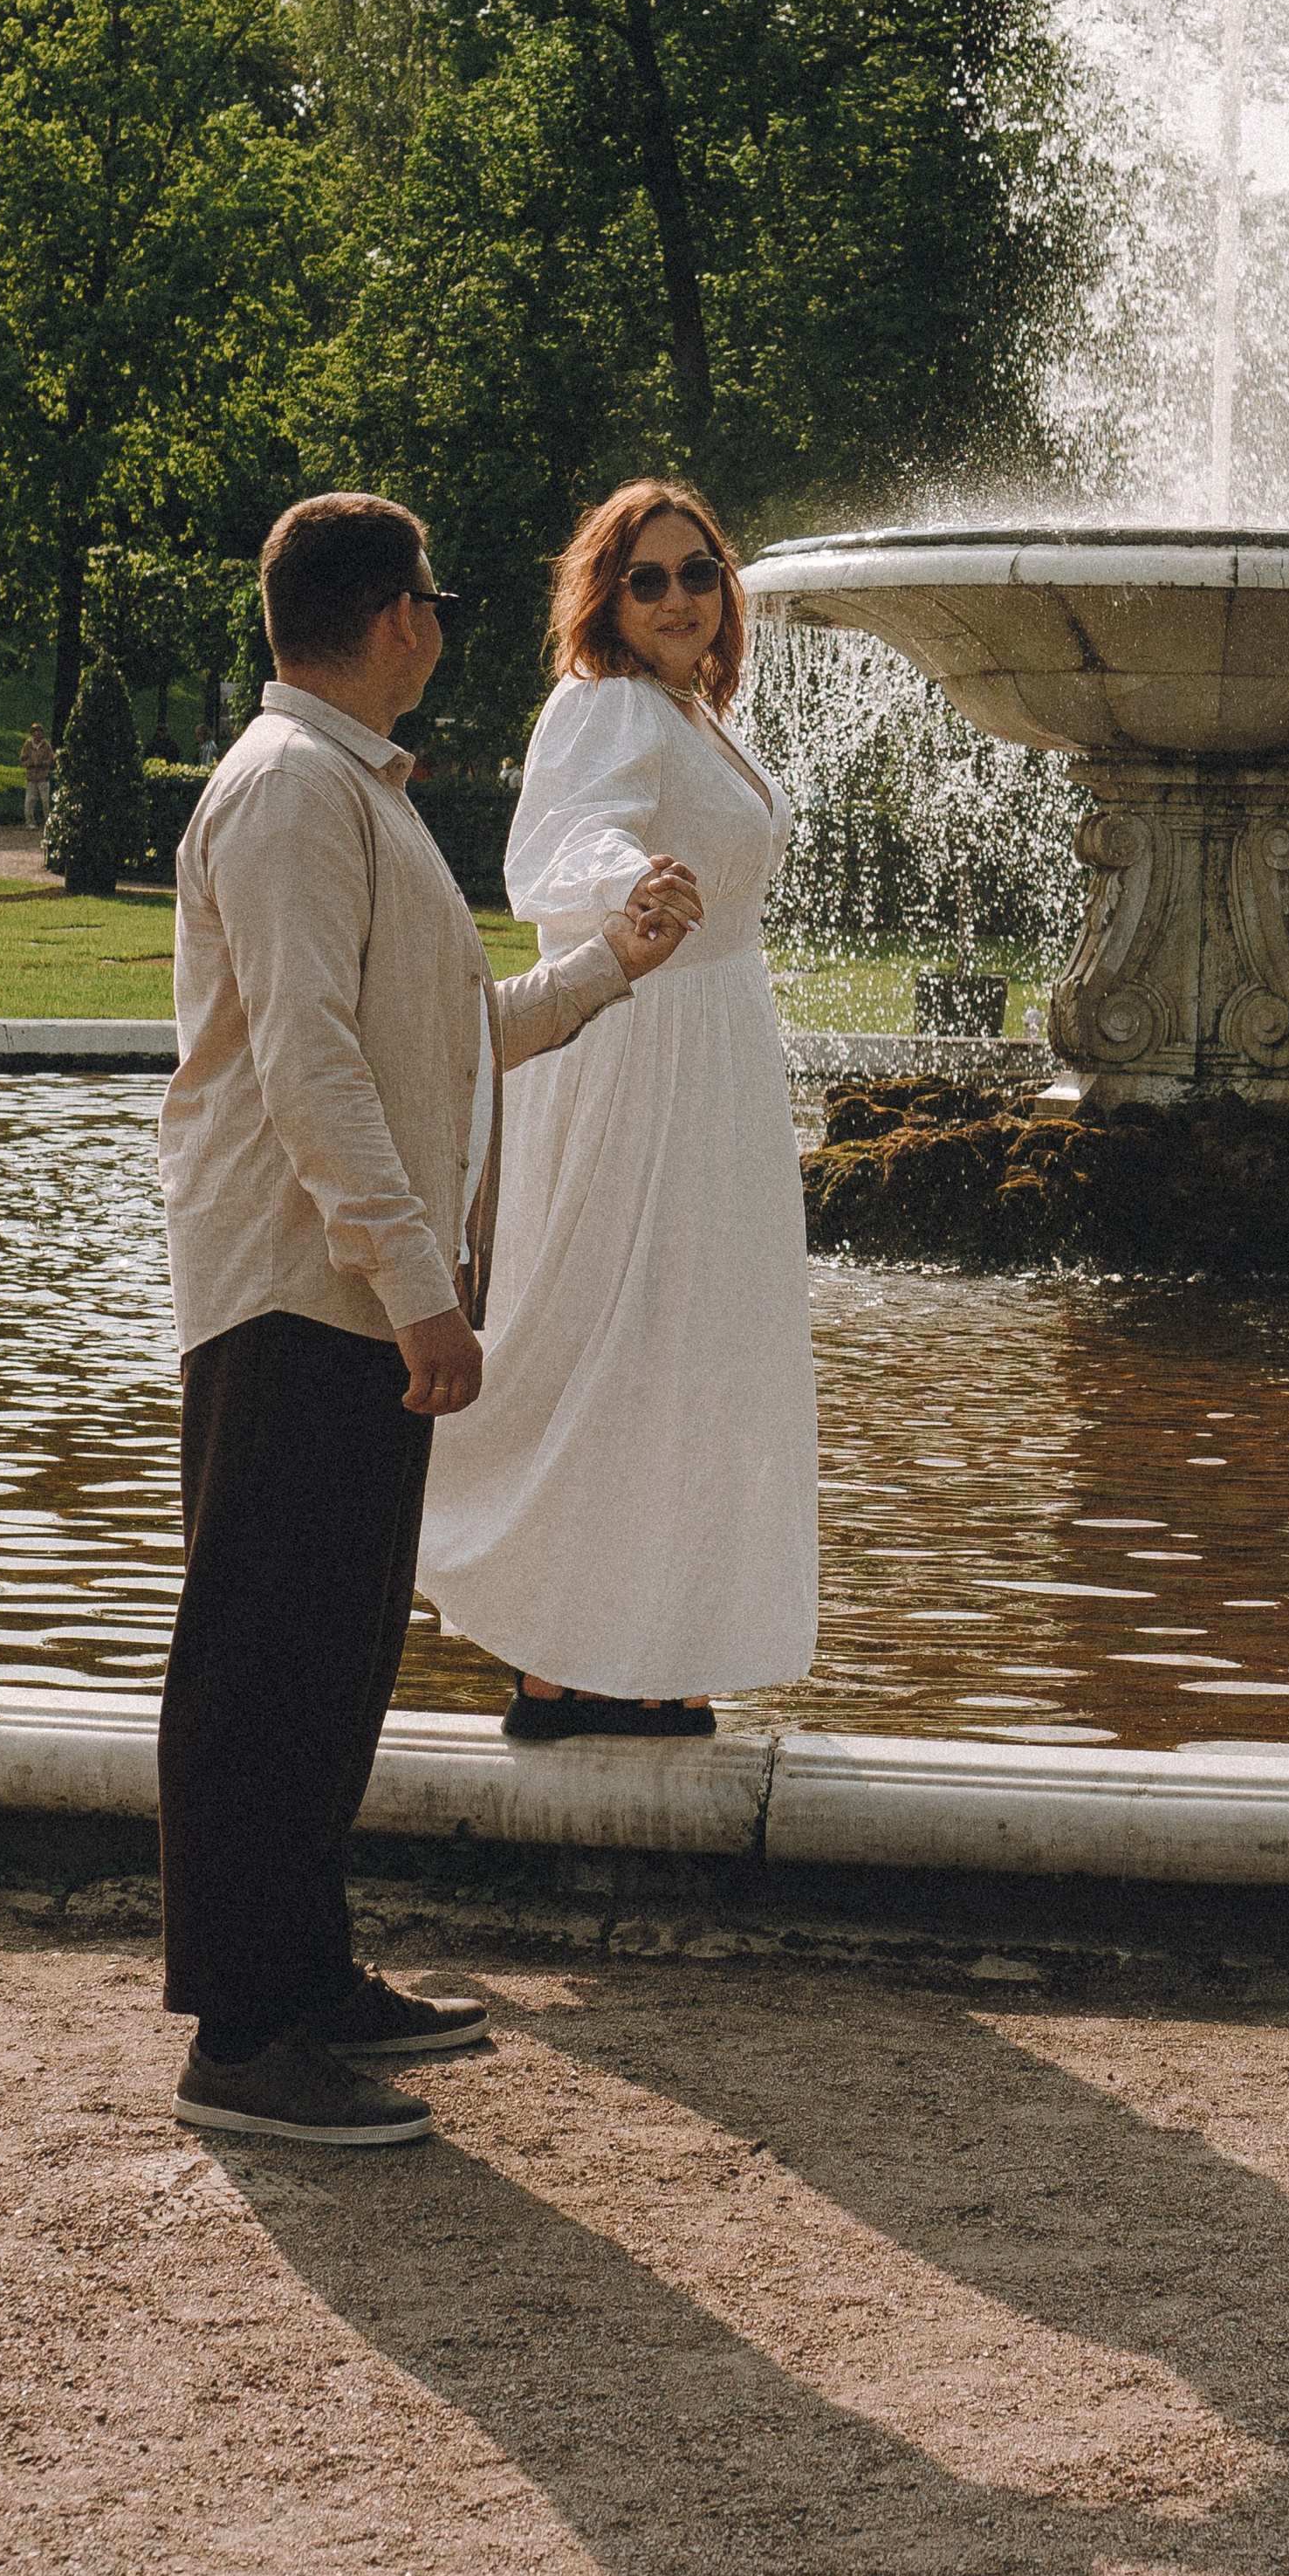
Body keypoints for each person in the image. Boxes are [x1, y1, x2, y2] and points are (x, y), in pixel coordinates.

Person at [154, 491, 696, 2148]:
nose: (445, 626)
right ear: (397, 616)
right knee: (262, 1659)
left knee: (331, 1652)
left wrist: (611, 960)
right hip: (300, 1293)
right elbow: (312, 1067)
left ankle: (306, 1977)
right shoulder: (289, 794)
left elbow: (441, 1043)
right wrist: (417, 1294)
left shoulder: (347, 793)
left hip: (348, 1297)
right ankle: (243, 2037)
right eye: (437, 601)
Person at [418, 478, 819, 1736]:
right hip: (640, 1052)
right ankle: (552, 1657)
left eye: (697, 572)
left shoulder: (695, 712)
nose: (679, 598)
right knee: (610, 1335)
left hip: (719, 1057)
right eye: (647, 579)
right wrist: (628, 882)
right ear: (606, 596)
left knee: (695, 1354)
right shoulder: (601, 705)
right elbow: (555, 843)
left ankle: (651, 1643)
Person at [19, 724, 53, 830]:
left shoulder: (46, 745)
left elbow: (51, 759)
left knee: (45, 801)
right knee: (29, 800)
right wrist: (31, 763)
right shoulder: (28, 745)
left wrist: (43, 763)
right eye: (35, 731)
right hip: (31, 777)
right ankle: (30, 822)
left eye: (40, 732)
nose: (38, 734)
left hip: (43, 777)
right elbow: (23, 758)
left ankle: (48, 822)